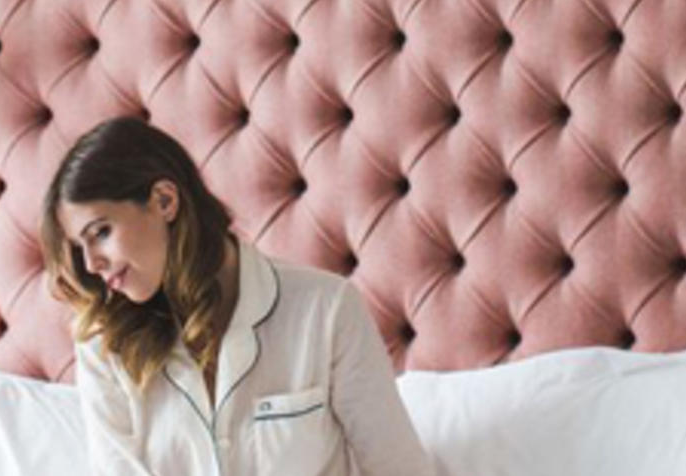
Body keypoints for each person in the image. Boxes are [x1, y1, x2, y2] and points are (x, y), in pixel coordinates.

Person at [41, 116, 434, 476]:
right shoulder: (104, 343)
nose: (91, 264)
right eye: (79, 247)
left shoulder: (327, 309)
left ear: (164, 201)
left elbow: (399, 469)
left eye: (101, 232)